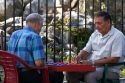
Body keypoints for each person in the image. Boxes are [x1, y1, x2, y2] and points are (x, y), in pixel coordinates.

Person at [66, 11, 125, 83]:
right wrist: (79, 56)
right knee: (71, 73)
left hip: (109, 69)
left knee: (90, 75)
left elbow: (114, 59)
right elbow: (86, 50)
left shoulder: (118, 36)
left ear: (108, 22)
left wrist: (92, 62)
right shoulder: (95, 34)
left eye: (99, 23)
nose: (96, 26)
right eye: (95, 23)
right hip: (92, 66)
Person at [8, 13, 63, 83]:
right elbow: (39, 63)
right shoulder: (34, 37)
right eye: (41, 26)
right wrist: (48, 62)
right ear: (36, 24)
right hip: (28, 76)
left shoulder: (14, 34)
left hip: (12, 76)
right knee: (57, 74)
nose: (40, 29)